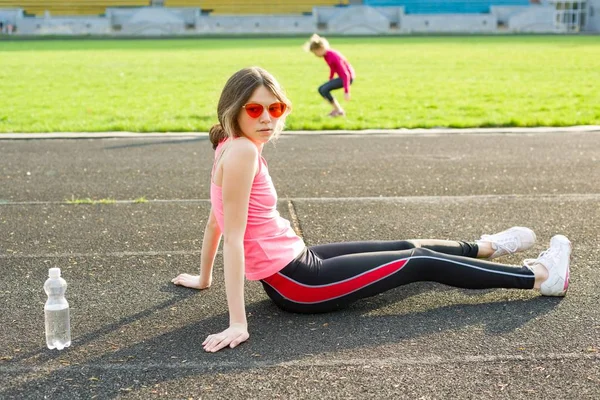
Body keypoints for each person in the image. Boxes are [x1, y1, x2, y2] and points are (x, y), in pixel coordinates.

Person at [171, 66, 571, 353]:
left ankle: (485, 248)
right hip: (298, 284)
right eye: (254, 110)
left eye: (274, 109)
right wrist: (238, 323)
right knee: (418, 262)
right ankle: (538, 277)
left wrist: (204, 278)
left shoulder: (230, 143)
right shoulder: (240, 151)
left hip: (297, 260)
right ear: (234, 110)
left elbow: (214, 220)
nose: (265, 119)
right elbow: (234, 237)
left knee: (403, 244)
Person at [304, 34, 355, 117]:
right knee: (321, 89)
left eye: (315, 52)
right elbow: (333, 68)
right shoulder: (326, 56)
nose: (315, 55)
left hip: (348, 77)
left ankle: (339, 111)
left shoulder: (333, 56)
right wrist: (330, 79)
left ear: (320, 48)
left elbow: (346, 74)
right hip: (343, 77)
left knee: (324, 89)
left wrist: (346, 92)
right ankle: (337, 109)